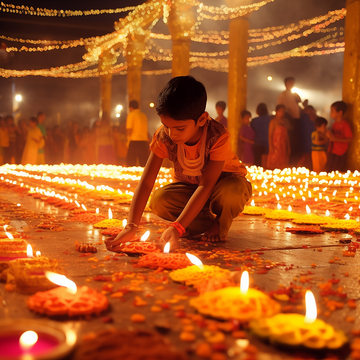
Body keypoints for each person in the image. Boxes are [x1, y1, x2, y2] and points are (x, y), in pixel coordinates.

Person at [105, 76, 251, 253]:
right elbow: (146, 182)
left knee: (232, 191)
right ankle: (201, 222)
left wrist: (177, 227)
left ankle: (220, 223)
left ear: (202, 120)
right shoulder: (164, 136)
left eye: (179, 128)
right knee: (159, 200)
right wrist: (131, 225)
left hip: (222, 185)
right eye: (166, 126)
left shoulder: (217, 135)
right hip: (191, 187)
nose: (171, 134)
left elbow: (206, 185)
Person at [277, 77, 302, 166]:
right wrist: (286, 118)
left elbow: (299, 103)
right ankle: (288, 162)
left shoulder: (294, 94)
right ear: (286, 83)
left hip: (296, 119)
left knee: (295, 141)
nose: (292, 84)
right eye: (290, 82)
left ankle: (293, 162)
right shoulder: (283, 95)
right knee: (289, 141)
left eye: (293, 83)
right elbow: (280, 107)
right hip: (288, 119)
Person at [326, 101, 353, 172]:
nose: (330, 113)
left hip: (340, 152)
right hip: (332, 151)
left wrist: (335, 139)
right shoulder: (334, 124)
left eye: (332, 111)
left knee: (337, 171)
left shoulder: (345, 124)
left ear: (340, 112)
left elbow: (350, 139)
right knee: (329, 170)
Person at [126, 100, 149, 167]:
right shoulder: (144, 115)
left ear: (130, 107)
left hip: (134, 142)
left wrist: (128, 141)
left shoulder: (131, 114)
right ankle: (144, 177)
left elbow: (129, 130)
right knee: (143, 164)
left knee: (131, 163)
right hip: (144, 142)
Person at [267, 104, 290, 170]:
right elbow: (270, 135)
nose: (282, 113)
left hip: (283, 146)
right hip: (275, 146)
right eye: (280, 111)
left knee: (282, 164)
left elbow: (286, 135)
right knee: (274, 163)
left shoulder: (284, 122)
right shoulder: (273, 122)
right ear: (276, 111)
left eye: (283, 111)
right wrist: (271, 146)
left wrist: (288, 146)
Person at [250, 103, 271, 167]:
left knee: (257, 163)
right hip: (268, 143)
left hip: (257, 143)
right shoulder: (270, 119)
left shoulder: (254, 121)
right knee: (267, 163)